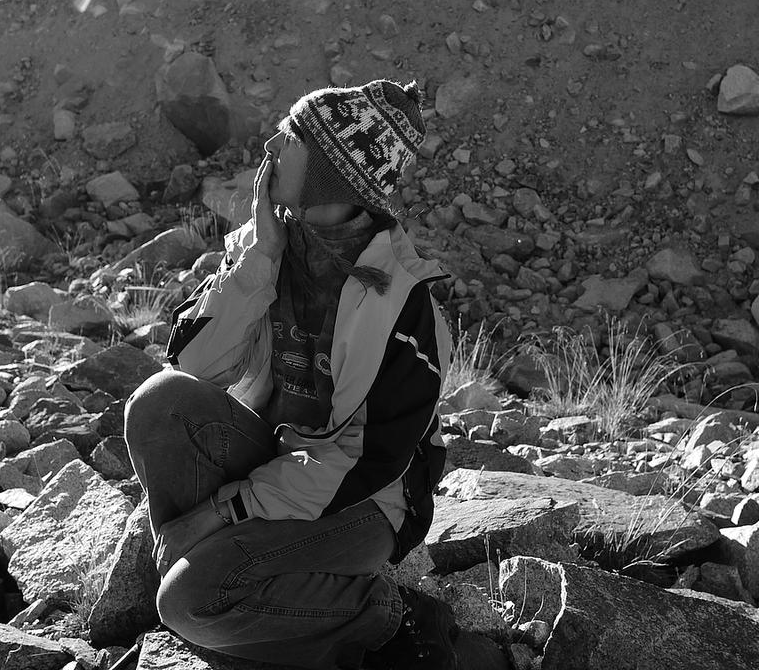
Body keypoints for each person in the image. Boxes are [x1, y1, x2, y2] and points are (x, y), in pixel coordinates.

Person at [123, 80, 507, 670]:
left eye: (292, 136)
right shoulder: (268, 242)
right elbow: (195, 367)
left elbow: (362, 463)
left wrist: (222, 512)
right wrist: (259, 261)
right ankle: (235, 602)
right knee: (160, 403)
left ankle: (379, 613)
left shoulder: (403, 308)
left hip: (363, 502)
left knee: (190, 604)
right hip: (278, 460)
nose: (273, 146)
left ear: (329, 172)